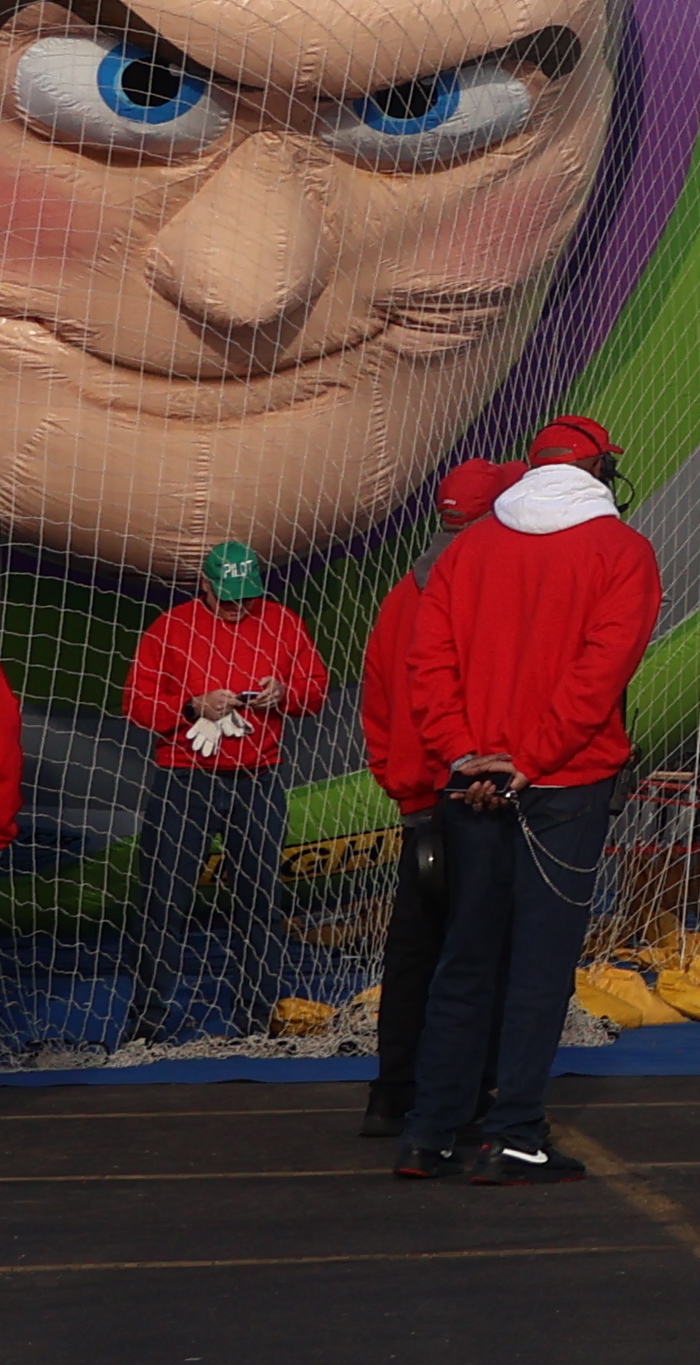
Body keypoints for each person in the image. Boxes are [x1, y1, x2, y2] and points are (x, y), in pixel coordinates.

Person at [391, 419, 660, 1183]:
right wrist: (529, 758)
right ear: (604, 468)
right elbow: (598, 675)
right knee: (539, 966)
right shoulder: (622, 552)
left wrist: (463, 751)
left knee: (464, 958)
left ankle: (430, 1128)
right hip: (562, 786)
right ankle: (512, 1130)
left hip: (469, 778)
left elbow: (428, 660)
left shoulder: (471, 547)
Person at [120, 537, 329, 1042]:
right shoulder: (170, 628)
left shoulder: (283, 622)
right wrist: (192, 706)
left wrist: (286, 693)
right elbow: (135, 703)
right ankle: (147, 1023)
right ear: (205, 586)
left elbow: (316, 689)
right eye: (228, 596)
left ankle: (260, 1018)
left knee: (259, 901)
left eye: (246, 596)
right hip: (184, 781)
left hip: (259, 781)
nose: (238, 607)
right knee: (164, 900)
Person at [351, 462, 505, 1134]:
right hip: (472, 794)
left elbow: (377, 700)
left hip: (417, 802)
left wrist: (400, 786)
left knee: (411, 951)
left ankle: (392, 1090)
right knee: (475, 954)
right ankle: (467, 1096)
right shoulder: (483, 587)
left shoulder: (399, 594)